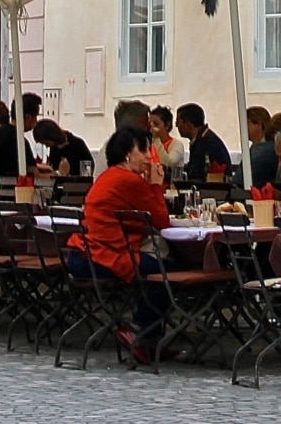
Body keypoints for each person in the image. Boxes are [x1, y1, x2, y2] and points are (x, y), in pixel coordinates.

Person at [65, 124, 171, 360]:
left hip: (83, 254)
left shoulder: (108, 177)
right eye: (143, 151)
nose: (147, 157)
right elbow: (162, 220)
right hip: (101, 257)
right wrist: (155, 183)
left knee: (159, 267)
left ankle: (149, 339)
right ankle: (139, 330)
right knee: (167, 272)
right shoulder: (129, 180)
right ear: (126, 154)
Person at [0, 93, 46, 203]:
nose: (36, 121)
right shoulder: (20, 140)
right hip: (9, 200)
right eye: (35, 116)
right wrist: (57, 175)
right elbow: (34, 175)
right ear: (28, 117)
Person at [177, 103, 231, 182]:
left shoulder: (205, 143)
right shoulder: (203, 139)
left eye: (178, 122)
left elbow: (195, 175)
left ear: (188, 124)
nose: (176, 125)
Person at [245, 106, 277, 189]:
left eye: (247, 123)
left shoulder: (266, 150)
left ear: (258, 124)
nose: (243, 127)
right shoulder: (256, 148)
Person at [149, 105, 189, 171]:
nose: (152, 128)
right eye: (150, 124)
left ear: (167, 125)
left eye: (156, 124)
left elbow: (169, 163)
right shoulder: (149, 144)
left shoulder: (177, 144)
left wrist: (156, 138)